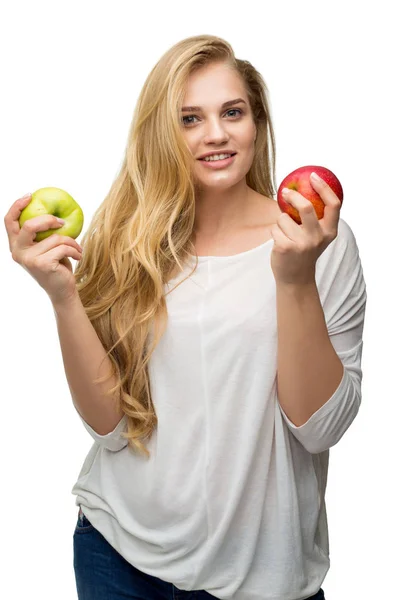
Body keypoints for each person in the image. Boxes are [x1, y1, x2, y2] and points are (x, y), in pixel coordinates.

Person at [4, 34, 367, 600]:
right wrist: (62, 296)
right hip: (117, 556)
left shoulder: (316, 241)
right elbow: (111, 427)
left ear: (257, 122)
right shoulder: (128, 239)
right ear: (162, 133)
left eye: (232, 112)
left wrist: (294, 279)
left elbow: (320, 429)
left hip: (264, 579)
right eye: (190, 118)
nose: (216, 134)